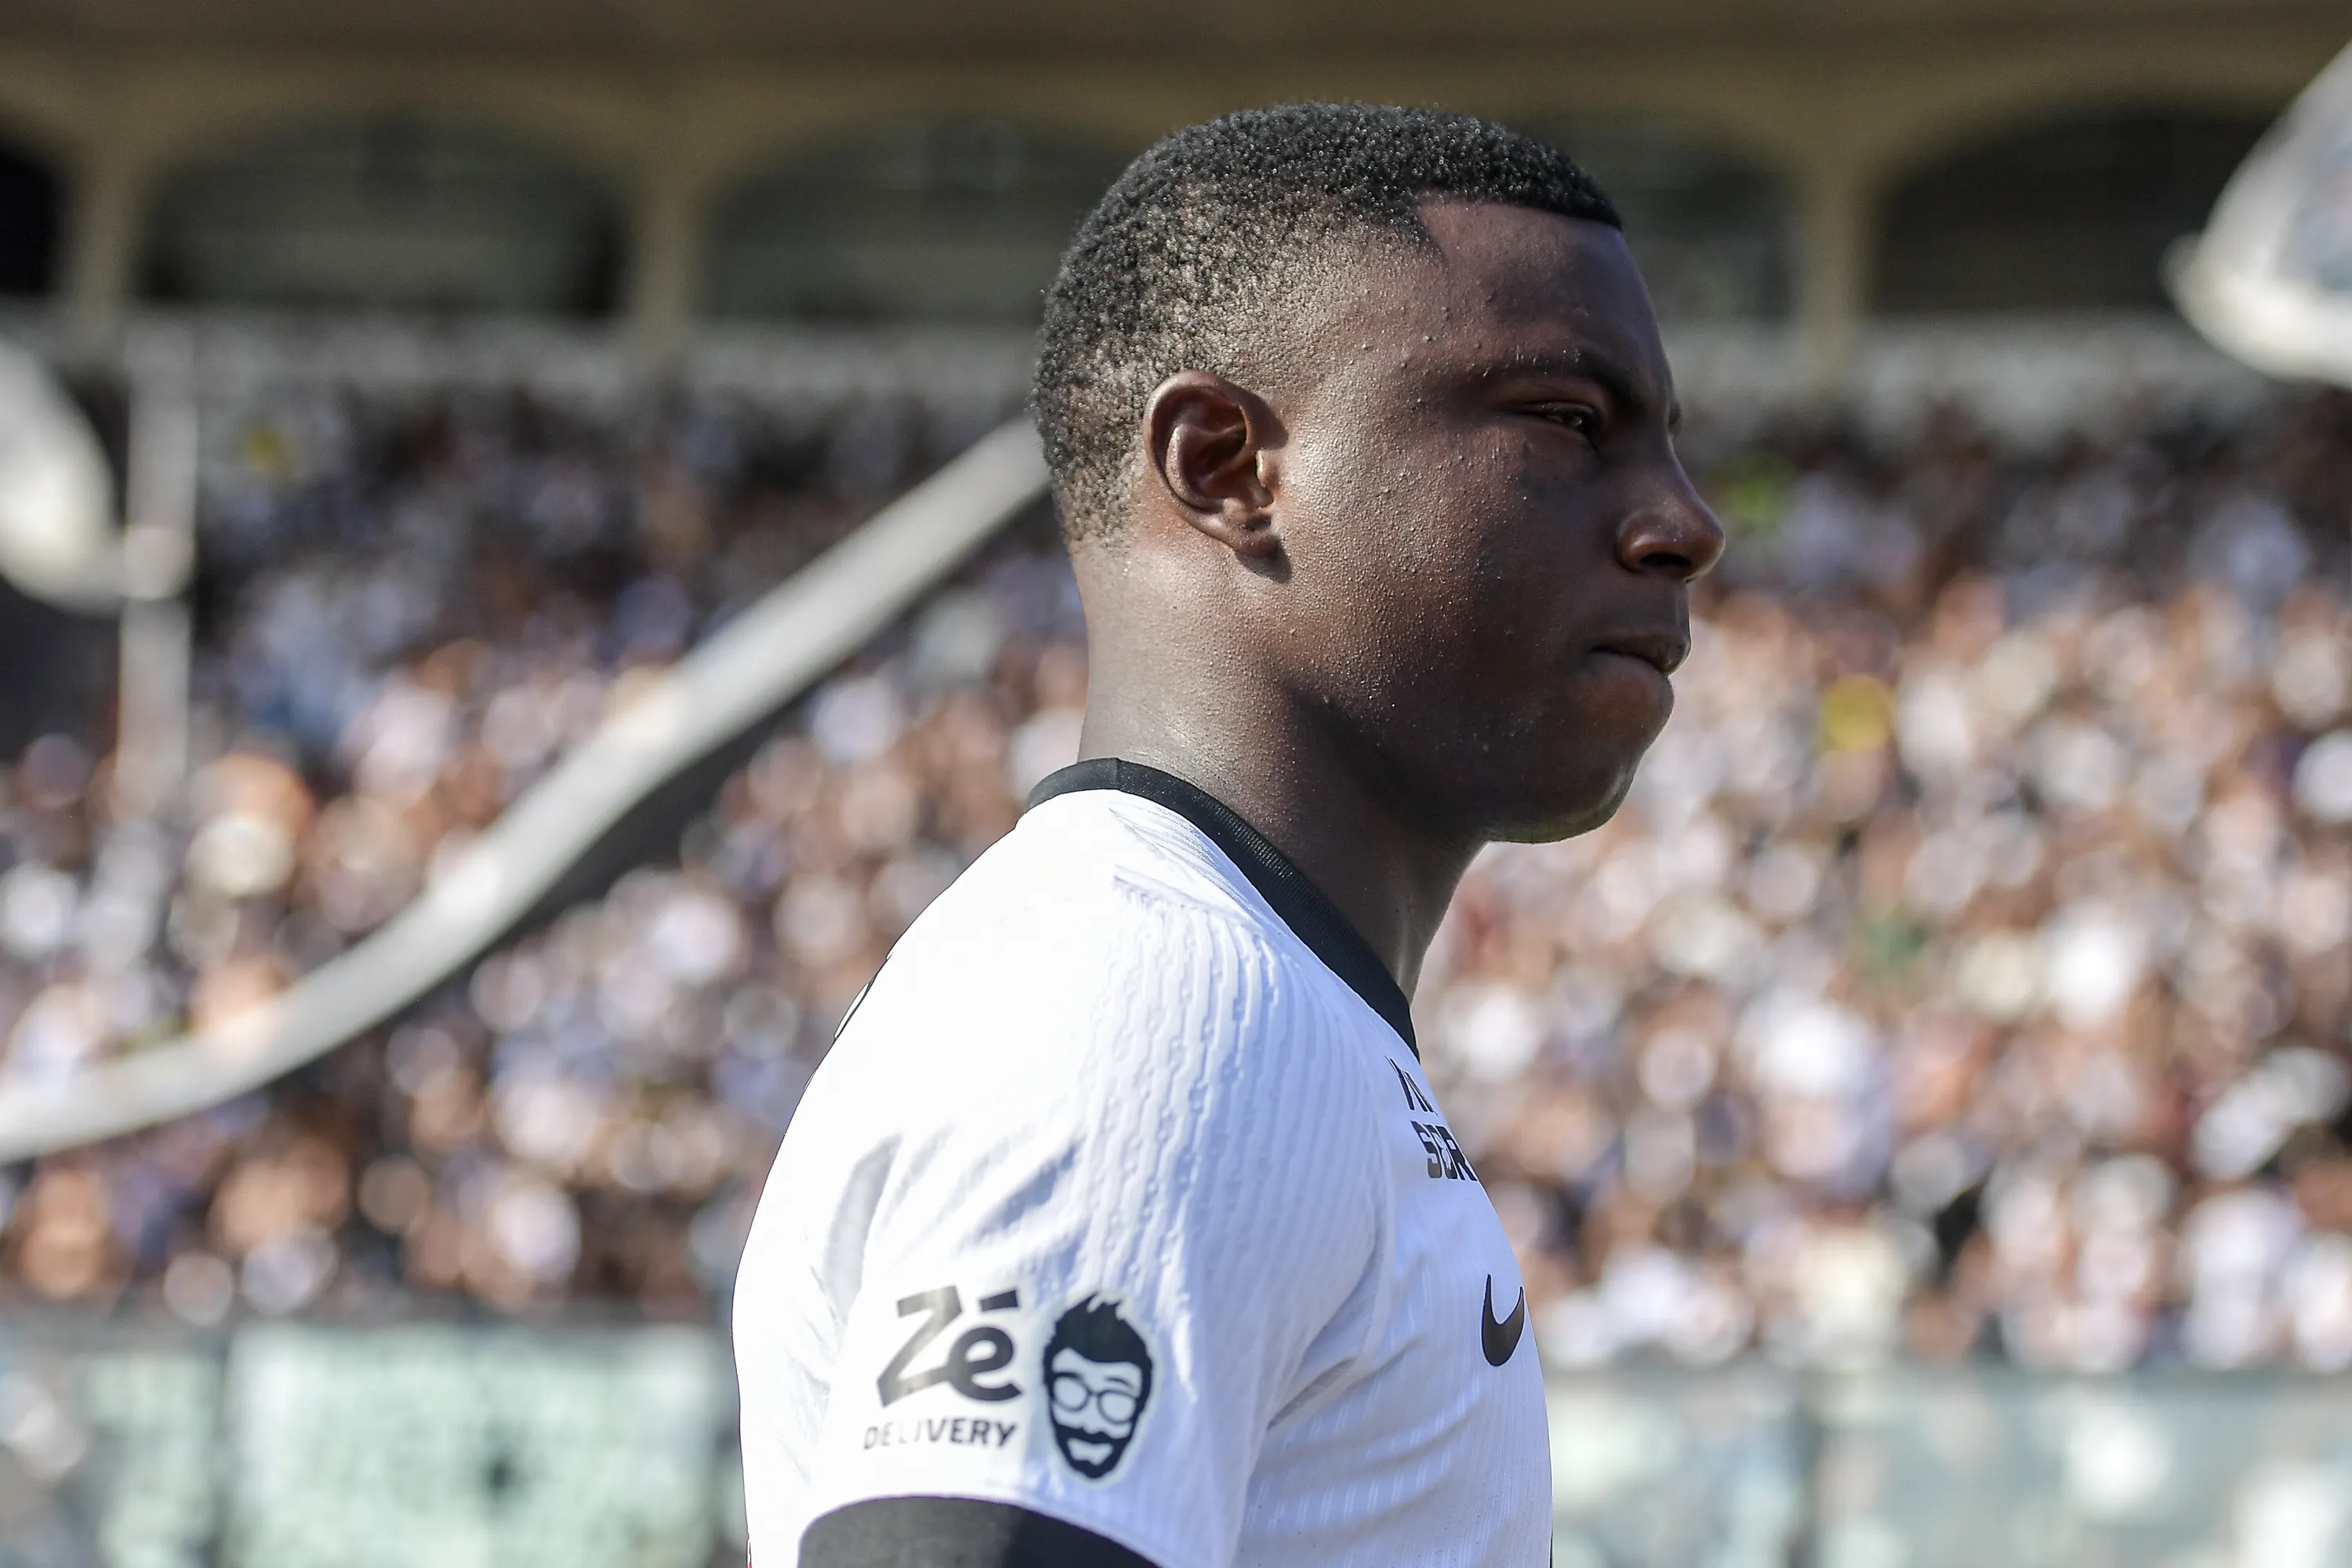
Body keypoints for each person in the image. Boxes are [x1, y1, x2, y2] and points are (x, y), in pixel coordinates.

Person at [732, 103, 1723, 1568]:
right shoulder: (1156, 1003)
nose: (1685, 523)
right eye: (1567, 423)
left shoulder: (1241, 991)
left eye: (1665, 445)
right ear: (1224, 464)